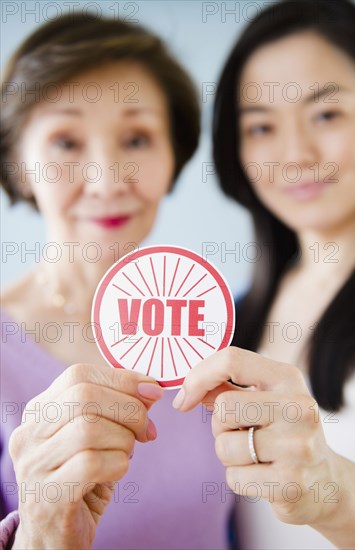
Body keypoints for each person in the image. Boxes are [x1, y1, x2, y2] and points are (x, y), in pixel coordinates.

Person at [0, 13, 235, 550]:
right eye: (65, 141)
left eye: (136, 138)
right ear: (18, 164)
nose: (107, 180)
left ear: (173, 155)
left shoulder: (222, 326)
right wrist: (41, 533)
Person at [172, 0, 355, 548]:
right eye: (262, 126)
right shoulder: (232, 320)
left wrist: (333, 492)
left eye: (326, 114)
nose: (295, 154)